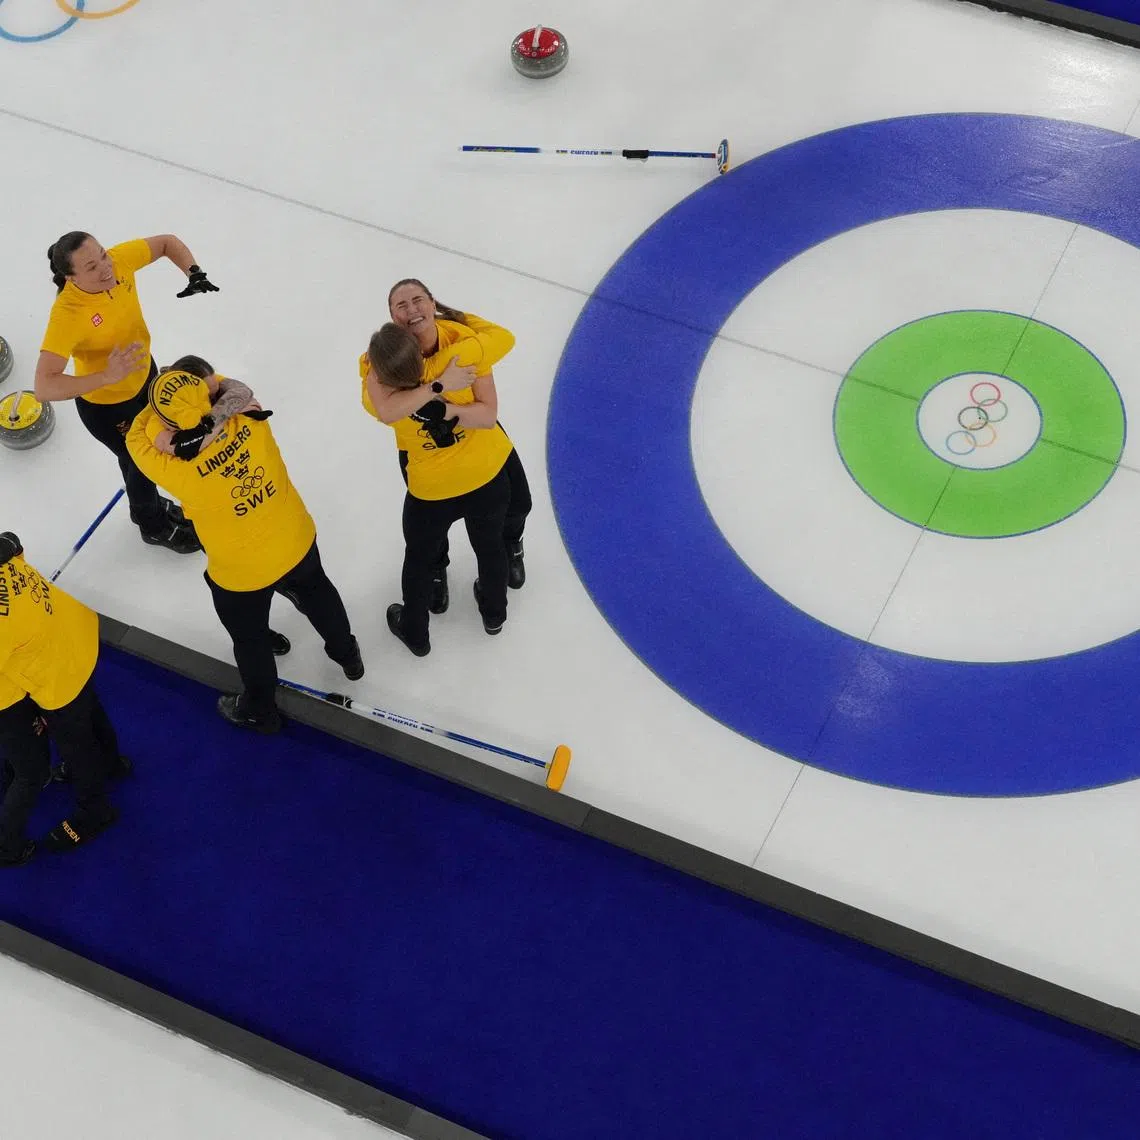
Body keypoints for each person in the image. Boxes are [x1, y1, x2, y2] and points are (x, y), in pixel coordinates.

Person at [126, 358, 364, 733]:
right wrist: (199, 390)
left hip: (240, 571)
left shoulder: (171, 466)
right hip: (294, 537)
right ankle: (348, 657)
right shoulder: (249, 415)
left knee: (249, 640)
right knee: (319, 594)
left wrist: (167, 394)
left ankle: (260, 710)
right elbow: (234, 388)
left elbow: (138, 431)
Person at [35, 231, 220, 555]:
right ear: (70, 277)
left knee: (147, 455)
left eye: (103, 255)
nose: (106, 268)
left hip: (145, 378)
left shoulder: (118, 262)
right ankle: (152, 525)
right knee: (141, 463)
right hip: (108, 408)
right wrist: (106, 375)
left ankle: (151, 507)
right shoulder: (68, 314)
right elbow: (44, 386)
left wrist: (193, 271)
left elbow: (165, 242)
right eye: (91, 267)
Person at [364, 321, 517, 656]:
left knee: (419, 559)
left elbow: (384, 407)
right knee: (490, 547)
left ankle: (416, 632)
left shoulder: (382, 392)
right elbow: (489, 414)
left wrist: (430, 387)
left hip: (432, 492)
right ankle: (494, 614)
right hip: (485, 477)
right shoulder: (459, 360)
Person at [378, 279, 532, 609]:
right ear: (393, 318)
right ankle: (437, 571)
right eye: (401, 306)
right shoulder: (387, 363)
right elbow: (384, 409)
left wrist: (443, 408)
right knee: (432, 527)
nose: (411, 309)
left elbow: (489, 413)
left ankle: (511, 545)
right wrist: (439, 384)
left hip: (483, 443)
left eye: (418, 300)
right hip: (425, 454)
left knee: (520, 504)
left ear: (433, 302)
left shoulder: (462, 341)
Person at [0, 532, 129, 864]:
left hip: (55, 672)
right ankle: (112, 763)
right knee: (90, 709)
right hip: (73, 629)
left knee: (75, 743)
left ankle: (94, 810)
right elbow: (12, 542)